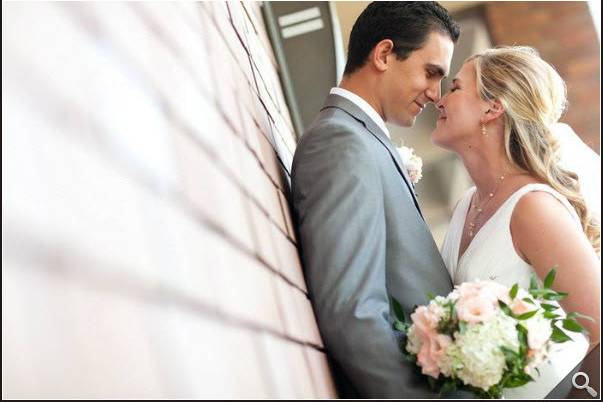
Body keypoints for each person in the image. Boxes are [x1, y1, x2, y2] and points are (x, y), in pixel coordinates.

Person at [291, 2, 461, 398]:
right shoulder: (342, 143)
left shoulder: (360, 139)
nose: (437, 95)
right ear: (384, 54)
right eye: (431, 73)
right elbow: (352, 312)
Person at [434, 46, 601, 398]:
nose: (439, 98)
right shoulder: (467, 204)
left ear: (492, 108)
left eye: (456, 88)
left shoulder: (533, 209)